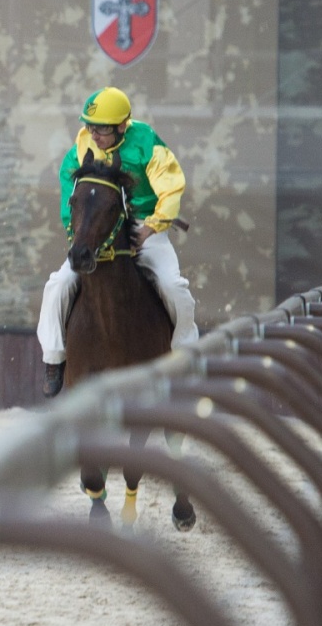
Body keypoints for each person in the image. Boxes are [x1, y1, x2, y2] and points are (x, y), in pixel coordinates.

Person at [37, 87, 200, 397]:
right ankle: (54, 359)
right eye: (90, 126)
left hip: (144, 227)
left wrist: (150, 229)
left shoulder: (147, 142)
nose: (94, 135)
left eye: (101, 129)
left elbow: (171, 189)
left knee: (173, 286)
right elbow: (69, 195)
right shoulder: (83, 142)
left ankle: (184, 359)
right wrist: (79, 238)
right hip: (96, 228)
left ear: (122, 125)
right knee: (58, 284)